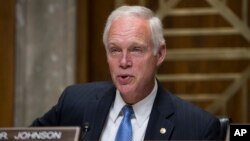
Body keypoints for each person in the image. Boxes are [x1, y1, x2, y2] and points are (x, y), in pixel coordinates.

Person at [31, 5, 220, 140]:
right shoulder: (74, 102)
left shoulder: (197, 128)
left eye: (136, 50)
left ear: (160, 53)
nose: (123, 62)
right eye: (115, 50)